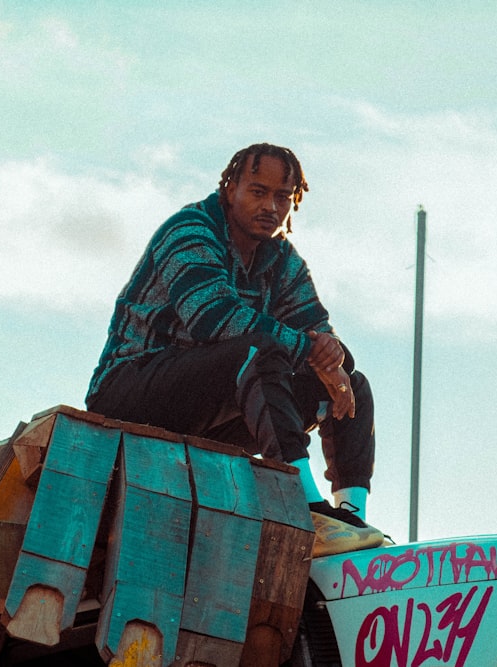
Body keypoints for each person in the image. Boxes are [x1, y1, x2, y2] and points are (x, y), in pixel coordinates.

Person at [86, 143, 382, 556]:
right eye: (258, 192)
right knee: (259, 351)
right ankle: (305, 508)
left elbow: (316, 334)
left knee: (351, 384)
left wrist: (336, 358)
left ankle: (349, 517)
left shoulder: (283, 261)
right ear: (230, 189)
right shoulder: (191, 230)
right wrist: (313, 351)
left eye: (282, 197)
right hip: (131, 390)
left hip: (210, 409)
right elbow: (215, 319)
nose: (271, 206)